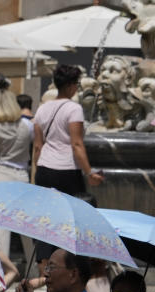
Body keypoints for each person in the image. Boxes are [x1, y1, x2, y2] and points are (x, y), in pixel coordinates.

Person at [0, 88, 34, 262]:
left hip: (0, 175)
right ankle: (34, 267)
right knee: (27, 225)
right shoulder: (27, 126)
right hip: (22, 176)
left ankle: (1, 269)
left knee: (1, 227)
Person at [33, 65, 104, 195]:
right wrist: (89, 172)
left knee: (47, 212)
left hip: (44, 169)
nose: (77, 87)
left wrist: (38, 170)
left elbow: (37, 146)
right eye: (77, 83)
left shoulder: (41, 109)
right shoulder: (74, 109)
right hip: (67, 170)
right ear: (69, 85)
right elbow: (76, 144)